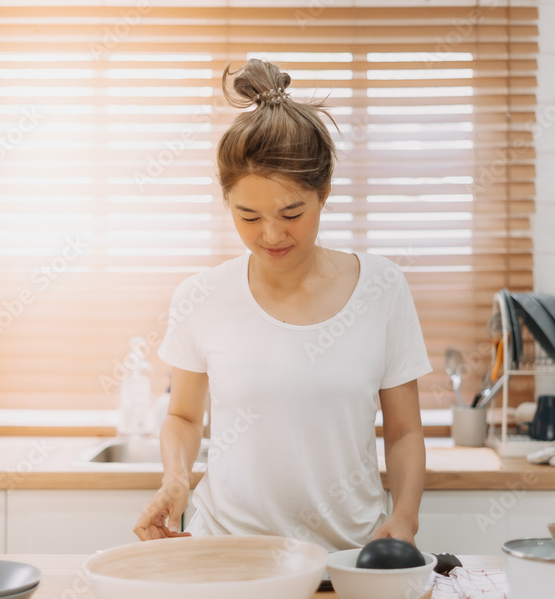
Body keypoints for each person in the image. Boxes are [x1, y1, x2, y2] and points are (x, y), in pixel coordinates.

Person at [133, 59, 432, 552]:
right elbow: (184, 418)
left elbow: (403, 432)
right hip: (229, 553)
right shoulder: (201, 295)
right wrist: (175, 478)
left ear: (325, 193)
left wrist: (404, 519)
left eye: (291, 213)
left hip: (348, 558)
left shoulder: (382, 288)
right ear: (227, 201)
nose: (271, 235)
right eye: (248, 216)